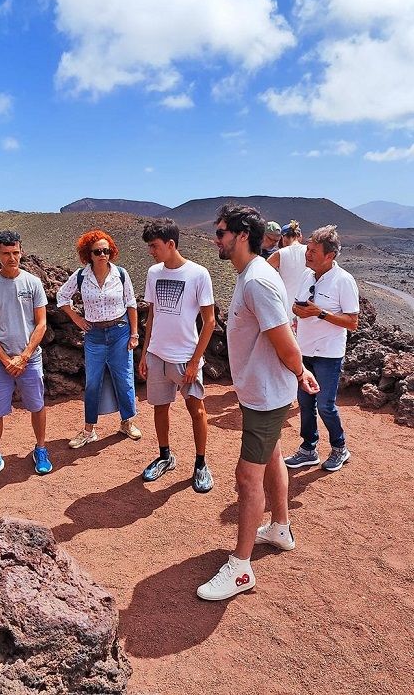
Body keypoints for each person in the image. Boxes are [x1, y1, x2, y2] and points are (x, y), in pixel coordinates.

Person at [197, 205, 319, 601]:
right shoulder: (251, 275)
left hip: (267, 395)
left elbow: (284, 340)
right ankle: (280, 528)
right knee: (273, 457)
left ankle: (240, 568)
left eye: (219, 233)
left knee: (246, 477)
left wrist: (300, 372)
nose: (215, 240)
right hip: (262, 392)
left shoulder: (257, 282)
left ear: (241, 235)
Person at [138, 218, 216, 493]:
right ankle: (164, 456)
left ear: (171, 244)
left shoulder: (198, 274)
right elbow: (152, 315)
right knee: (160, 407)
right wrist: (145, 353)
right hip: (158, 353)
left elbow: (210, 322)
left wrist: (195, 361)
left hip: (185, 356)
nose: (151, 251)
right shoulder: (153, 273)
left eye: (155, 246)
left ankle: (201, 463)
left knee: (196, 410)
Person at [283, 226, 361, 472]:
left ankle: (340, 448)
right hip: (304, 350)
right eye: (307, 249)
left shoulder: (344, 281)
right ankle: (308, 449)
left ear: (330, 256)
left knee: (325, 405)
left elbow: (353, 322)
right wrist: (300, 311)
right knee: (305, 403)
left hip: (328, 354)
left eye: (313, 251)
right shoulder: (307, 276)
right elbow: (296, 306)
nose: (307, 254)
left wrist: (320, 313)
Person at [0, 230, 50, 484]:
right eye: (6, 253)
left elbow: (41, 324)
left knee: (37, 405)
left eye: (16, 252)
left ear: (21, 251)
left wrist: (24, 356)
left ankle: (40, 448)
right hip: (0, 362)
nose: (12, 258)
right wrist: (7, 360)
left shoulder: (33, 283)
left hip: (30, 359)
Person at [58, 230, 142, 448]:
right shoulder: (81, 276)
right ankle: (89, 429)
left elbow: (131, 303)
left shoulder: (121, 274)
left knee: (123, 378)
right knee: (92, 381)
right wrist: (76, 318)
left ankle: (126, 422)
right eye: (97, 251)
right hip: (94, 335)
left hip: (120, 331)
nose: (103, 255)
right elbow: (61, 297)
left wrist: (134, 334)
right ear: (89, 254)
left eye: (106, 250)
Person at [267, 219, 311, 314]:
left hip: (287, 305)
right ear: (299, 236)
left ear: (283, 238)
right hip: (308, 305)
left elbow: (262, 273)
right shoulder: (310, 252)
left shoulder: (279, 254)